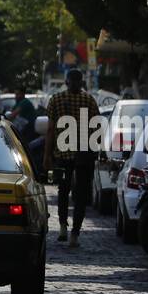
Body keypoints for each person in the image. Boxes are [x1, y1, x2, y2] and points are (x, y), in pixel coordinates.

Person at [44, 68, 102, 247]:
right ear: (82, 82)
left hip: (62, 154)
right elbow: (97, 128)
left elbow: (51, 130)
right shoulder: (89, 100)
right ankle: (75, 233)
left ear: (66, 82)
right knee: (81, 195)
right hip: (84, 156)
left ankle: (62, 226)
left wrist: (47, 156)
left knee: (63, 190)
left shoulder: (56, 99)